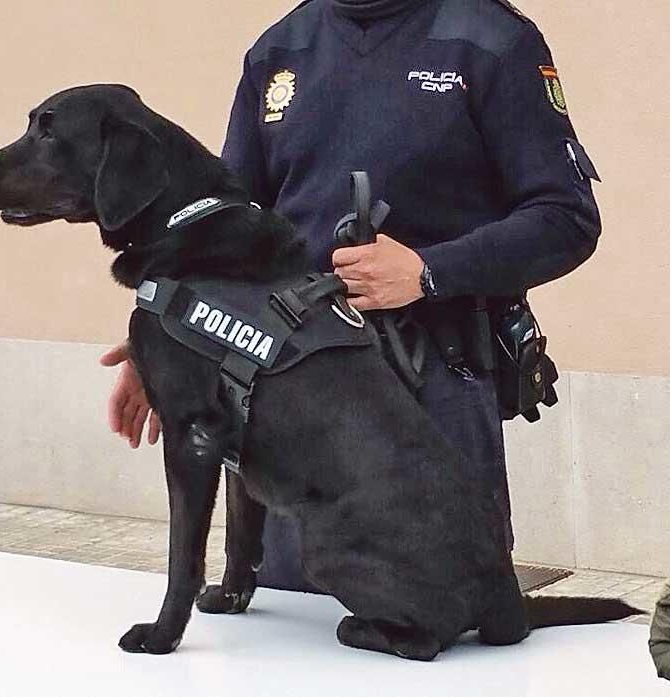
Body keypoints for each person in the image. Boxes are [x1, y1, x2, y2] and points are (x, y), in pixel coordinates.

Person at [102, 0, 601, 592]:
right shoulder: (280, 49)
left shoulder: (490, 40)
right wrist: (168, 349)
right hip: (289, 402)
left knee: (440, 631)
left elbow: (565, 218)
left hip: (438, 396)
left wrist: (425, 271)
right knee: (293, 639)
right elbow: (227, 229)